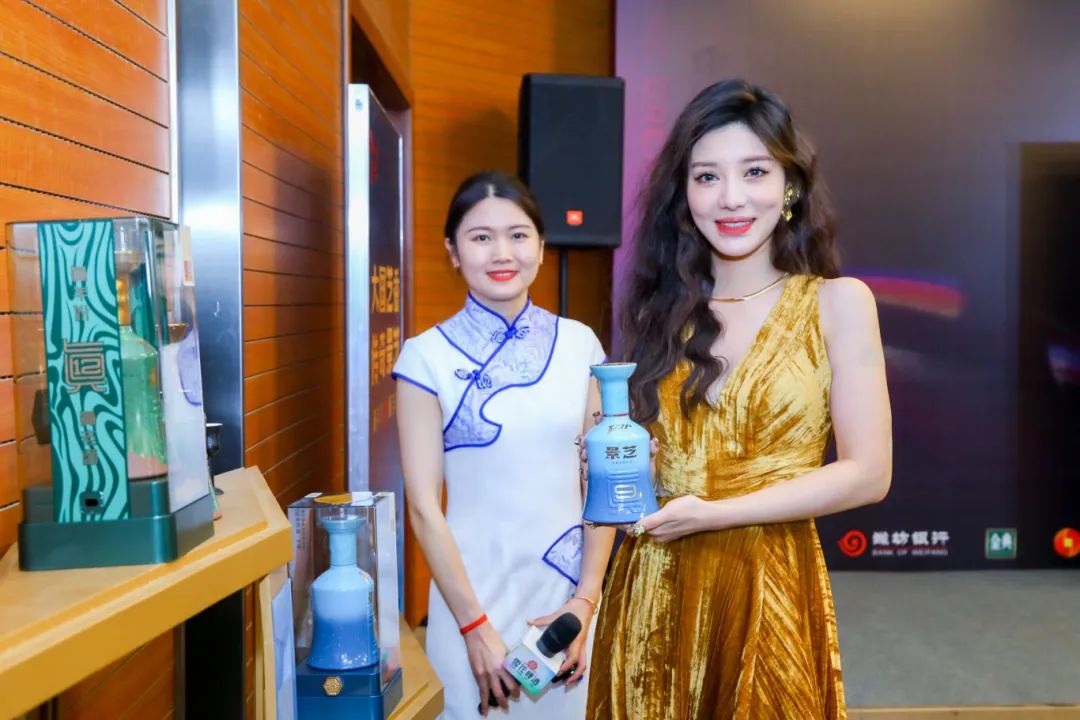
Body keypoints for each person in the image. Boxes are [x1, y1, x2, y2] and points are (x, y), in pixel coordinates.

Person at [586, 79, 892, 720]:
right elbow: (631, 480)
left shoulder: (839, 303)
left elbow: (869, 473)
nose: (730, 197)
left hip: (767, 583)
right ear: (684, 195)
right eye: (707, 176)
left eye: (754, 171)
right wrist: (609, 465)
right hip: (652, 594)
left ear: (790, 185)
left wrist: (716, 513)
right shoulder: (654, 315)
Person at [394, 171, 616, 719]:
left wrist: (585, 602)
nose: (502, 252)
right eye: (480, 237)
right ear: (453, 251)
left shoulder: (581, 344)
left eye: (518, 235)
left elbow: (603, 482)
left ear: (540, 246)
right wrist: (474, 628)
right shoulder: (424, 358)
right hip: (470, 603)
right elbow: (423, 507)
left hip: (566, 602)